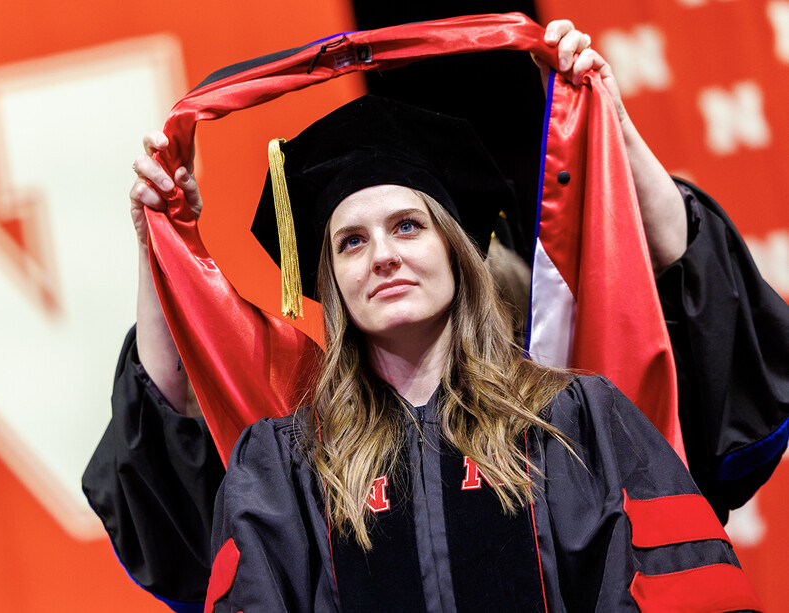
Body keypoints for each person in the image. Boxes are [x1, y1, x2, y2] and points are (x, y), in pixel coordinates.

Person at [82, 19, 785, 611]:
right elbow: (168, 441)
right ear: (330, 281)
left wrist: (613, 122)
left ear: (456, 253)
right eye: (351, 241)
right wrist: (158, 241)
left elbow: (708, 316)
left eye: (408, 226)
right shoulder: (288, 467)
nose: (382, 255)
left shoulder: (576, 420)